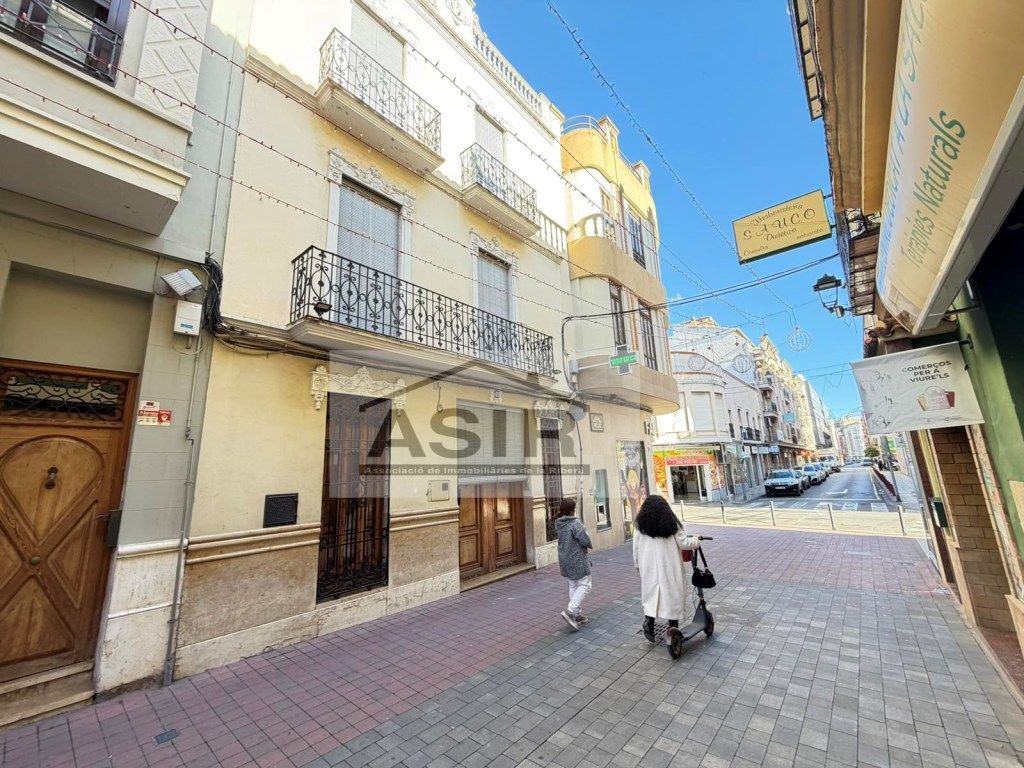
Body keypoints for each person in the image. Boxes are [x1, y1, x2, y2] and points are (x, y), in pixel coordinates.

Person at [632, 494, 700, 646]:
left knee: (651, 593)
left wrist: (637, 564)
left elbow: (635, 548)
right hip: (669, 566)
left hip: (648, 566)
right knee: (672, 594)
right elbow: (684, 543)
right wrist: (697, 541)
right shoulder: (671, 525)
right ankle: (673, 627)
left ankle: (649, 622)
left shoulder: (640, 526)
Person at [555, 497, 592, 630]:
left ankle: (577, 615)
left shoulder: (558, 522)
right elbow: (585, 539)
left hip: (565, 558)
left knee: (573, 584)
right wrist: (589, 542)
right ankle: (570, 611)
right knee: (585, 584)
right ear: (572, 510)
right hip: (576, 559)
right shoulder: (575, 523)